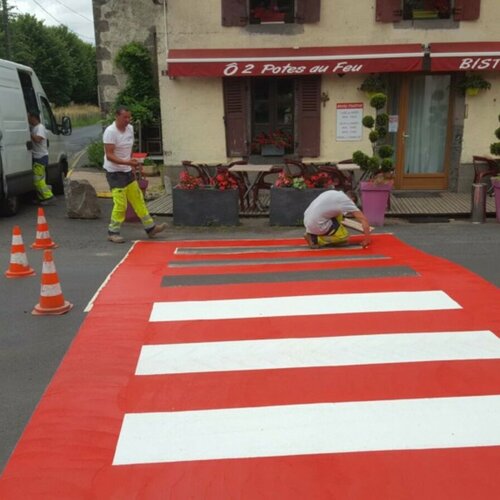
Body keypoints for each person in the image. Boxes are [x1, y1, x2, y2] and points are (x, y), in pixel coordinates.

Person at [103, 105, 166, 243]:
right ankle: (113, 232)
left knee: (138, 199)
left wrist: (134, 165)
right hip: (114, 172)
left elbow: (128, 149)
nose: (128, 120)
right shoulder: (110, 132)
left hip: (127, 170)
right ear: (117, 116)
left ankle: (150, 228)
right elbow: (109, 155)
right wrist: (128, 163)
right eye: (125, 117)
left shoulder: (130, 129)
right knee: (121, 204)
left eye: (129, 117)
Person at [303, 189, 372, 249]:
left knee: (339, 214)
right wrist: (367, 239)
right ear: (352, 199)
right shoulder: (347, 201)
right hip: (318, 224)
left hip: (307, 220)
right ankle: (316, 239)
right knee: (344, 237)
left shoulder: (333, 192)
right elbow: (363, 219)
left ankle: (313, 234)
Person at [28, 112, 55, 204]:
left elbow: (38, 139)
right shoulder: (35, 128)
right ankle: (41, 198)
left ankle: (48, 196)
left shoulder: (40, 127)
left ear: (33, 117)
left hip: (40, 157)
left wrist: (29, 133)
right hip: (38, 156)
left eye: (29, 117)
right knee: (40, 179)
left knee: (37, 180)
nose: (27, 119)